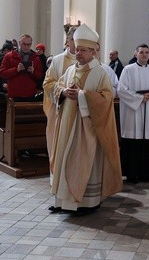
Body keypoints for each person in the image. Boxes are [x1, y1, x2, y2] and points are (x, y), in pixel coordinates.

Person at [49, 24, 122, 214]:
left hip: (87, 127)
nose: (78, 53)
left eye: (83, 50)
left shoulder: (100, 72)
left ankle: (86, 203)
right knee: (64, 159)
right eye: (77, 49)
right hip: (67, 124)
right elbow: (56, 87)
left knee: (82, 161)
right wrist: (63, 92)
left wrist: (83, 95)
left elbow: (107, 98)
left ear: (93, 52)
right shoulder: (71, 70)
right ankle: (61, 200)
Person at [118, 44, 149, 182]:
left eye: (146, 52)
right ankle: (131, 173)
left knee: (147, 138)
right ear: (136, 54)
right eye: (141, 52)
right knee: (133, 138)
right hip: (133, 110)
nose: (144, 54)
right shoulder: (128, 69)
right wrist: (139, 98)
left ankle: (147, 173)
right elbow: (122, 89)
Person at [43, 27, 78, 171]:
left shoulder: (91, 61)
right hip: (60, 109)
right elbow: (47, 83)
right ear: (69, 41)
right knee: (59, 144)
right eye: (75, 40)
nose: (78, 44)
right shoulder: (57, 61)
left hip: (81, 111)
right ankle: (58, 175)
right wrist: (62, 91)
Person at [0, 34, 43, 100]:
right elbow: (2, 73)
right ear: (19, 43)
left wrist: (33, 71)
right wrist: (16, 69)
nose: (26, 47)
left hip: (30, 94)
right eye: (24, 44)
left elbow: (40, 76)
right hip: (14, 94)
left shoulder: (36, 58)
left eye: (28, 44)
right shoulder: (9, 56)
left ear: (31, 44)